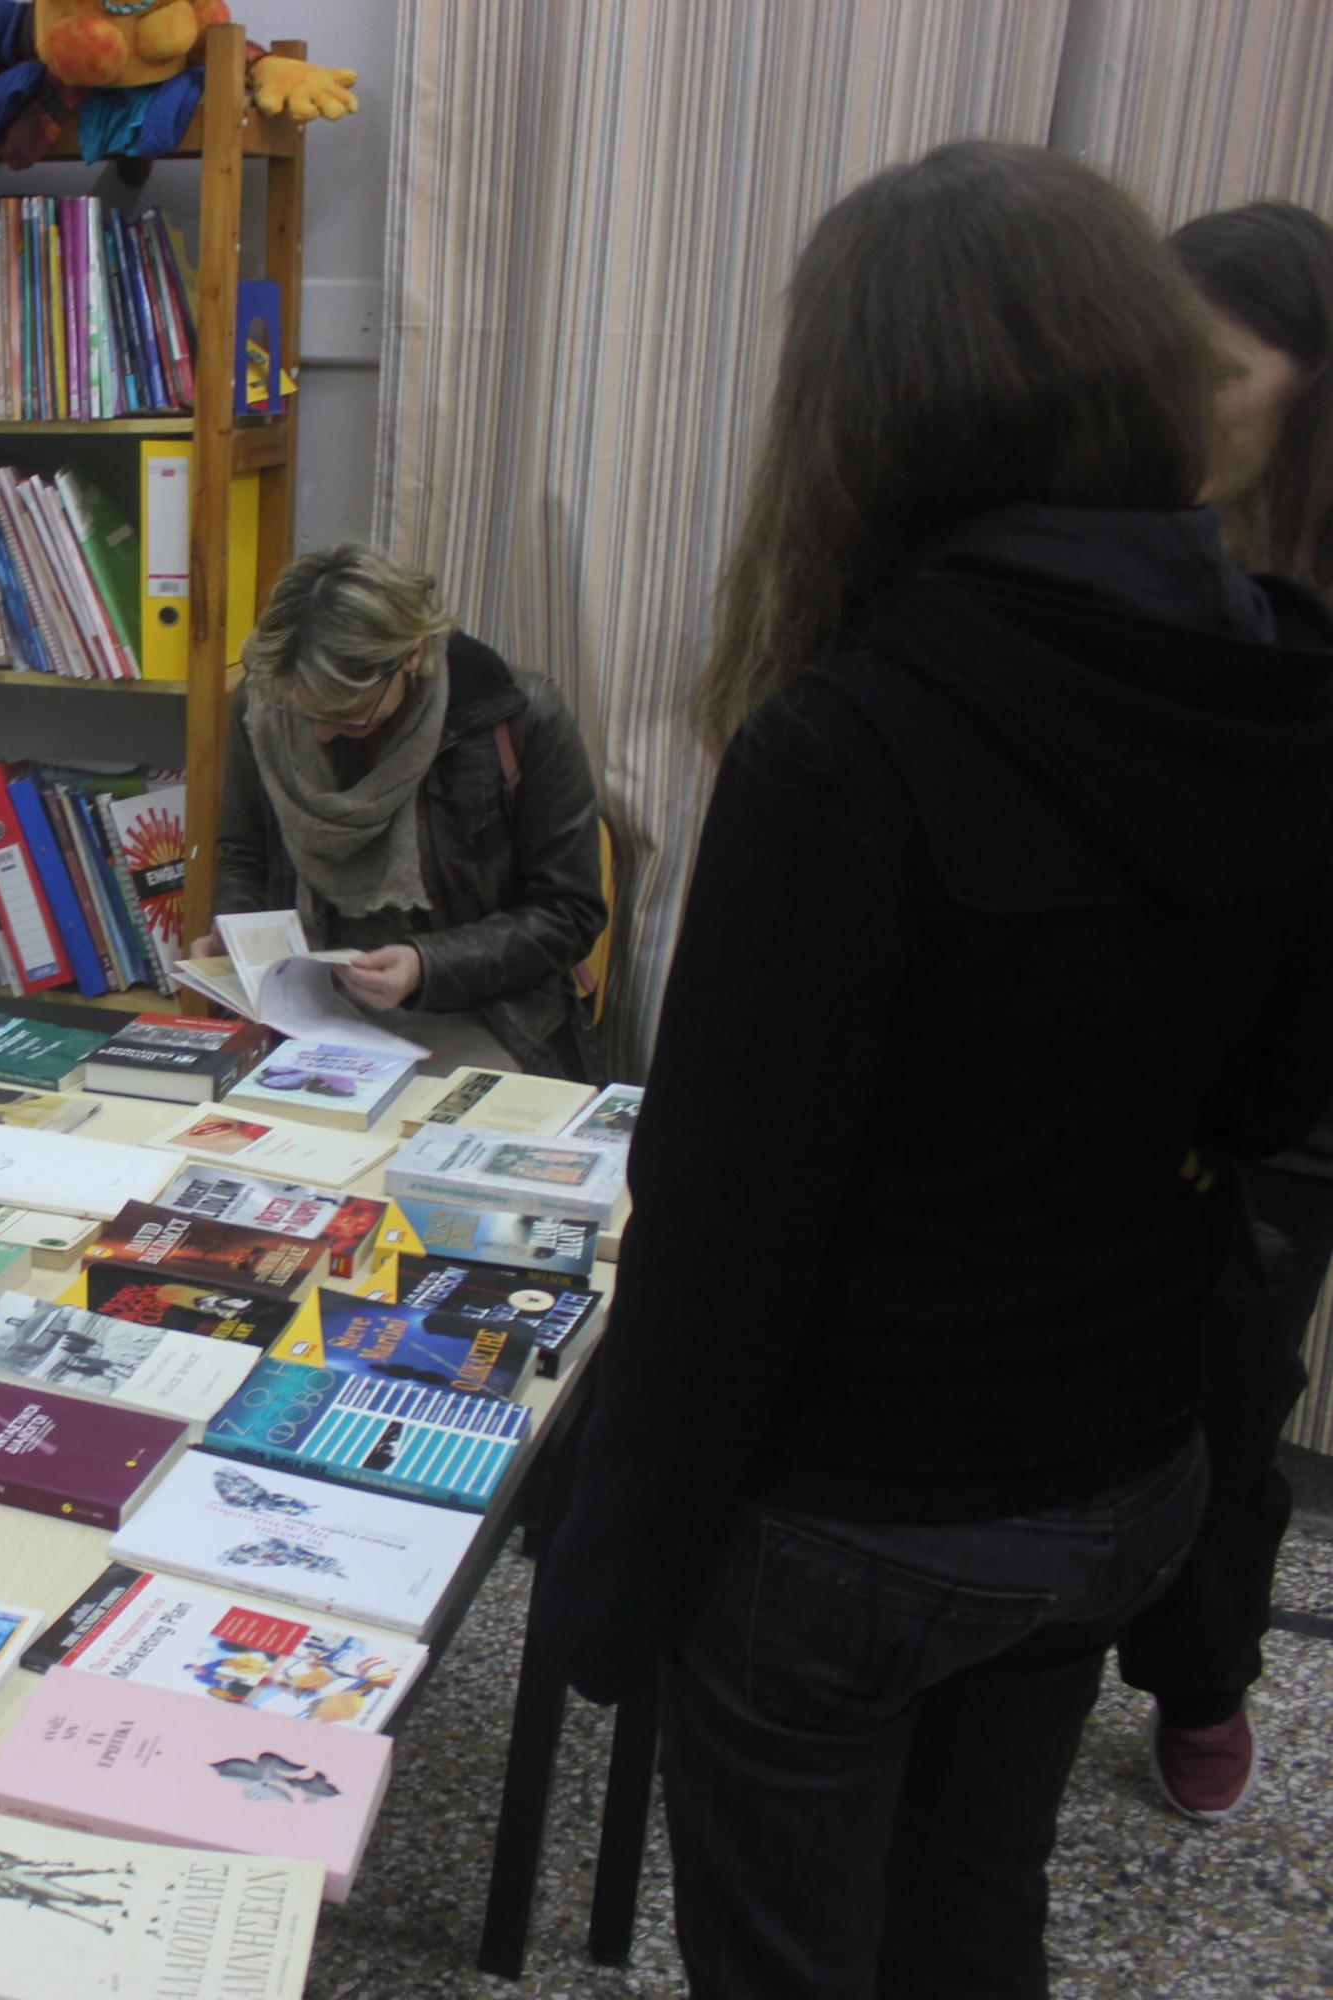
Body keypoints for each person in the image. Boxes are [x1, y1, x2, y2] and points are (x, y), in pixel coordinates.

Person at [527, 142, 1333, 1999]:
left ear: (865, 415)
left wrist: (609, 1575)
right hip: (1120, 1468)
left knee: (791, 1952)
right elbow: (1271, 1101)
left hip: (861, 1509)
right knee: (976, 1910)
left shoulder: (847, 744)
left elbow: (723, 1224)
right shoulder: (1277, 675)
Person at [1114, 199, 1333, 1824]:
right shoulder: (1130, 550)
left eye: (1218, 370)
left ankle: (1203, 1678)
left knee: (1233, 1392)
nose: (1177, 406)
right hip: (1125, 1056)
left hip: (1287, 1089)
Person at [215, 544, 608, 1079]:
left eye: (348, 713)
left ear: (413, 655)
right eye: (300, 711)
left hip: (480, 1012)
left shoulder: (517, 716)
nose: (319, 733)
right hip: (305, 1007)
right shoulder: (264, 706)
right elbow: (245, 854)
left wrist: (428, 964)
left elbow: (568, 912)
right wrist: (235, 937)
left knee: (422, 1125)